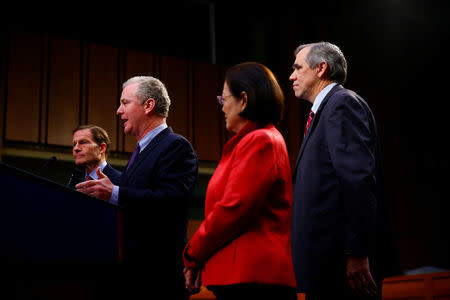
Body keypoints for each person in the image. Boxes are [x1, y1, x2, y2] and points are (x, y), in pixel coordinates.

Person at [75, 76, 198, 299]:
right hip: (134, 275)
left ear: (148, 105)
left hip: (159, 277)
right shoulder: (140, 150)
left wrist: (114, 193)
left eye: (125, 102)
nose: (118, 111)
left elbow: (171, 200)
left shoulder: (176, 146)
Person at [183, 62, 297, 300]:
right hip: (244, 278)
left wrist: (193, 254)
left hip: (254, 279)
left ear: (243, 100)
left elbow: (232, 209)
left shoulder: (261, 140)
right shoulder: (253, 141)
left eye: (223, 99)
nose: (222, 108)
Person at [289, 41, 390, 300]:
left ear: (321, 68)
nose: (292, 76)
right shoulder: (326, 109)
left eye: (298, 68)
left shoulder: (341, 105)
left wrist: (357, 252)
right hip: (326, 266)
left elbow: (357, 180)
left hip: (341, 268)